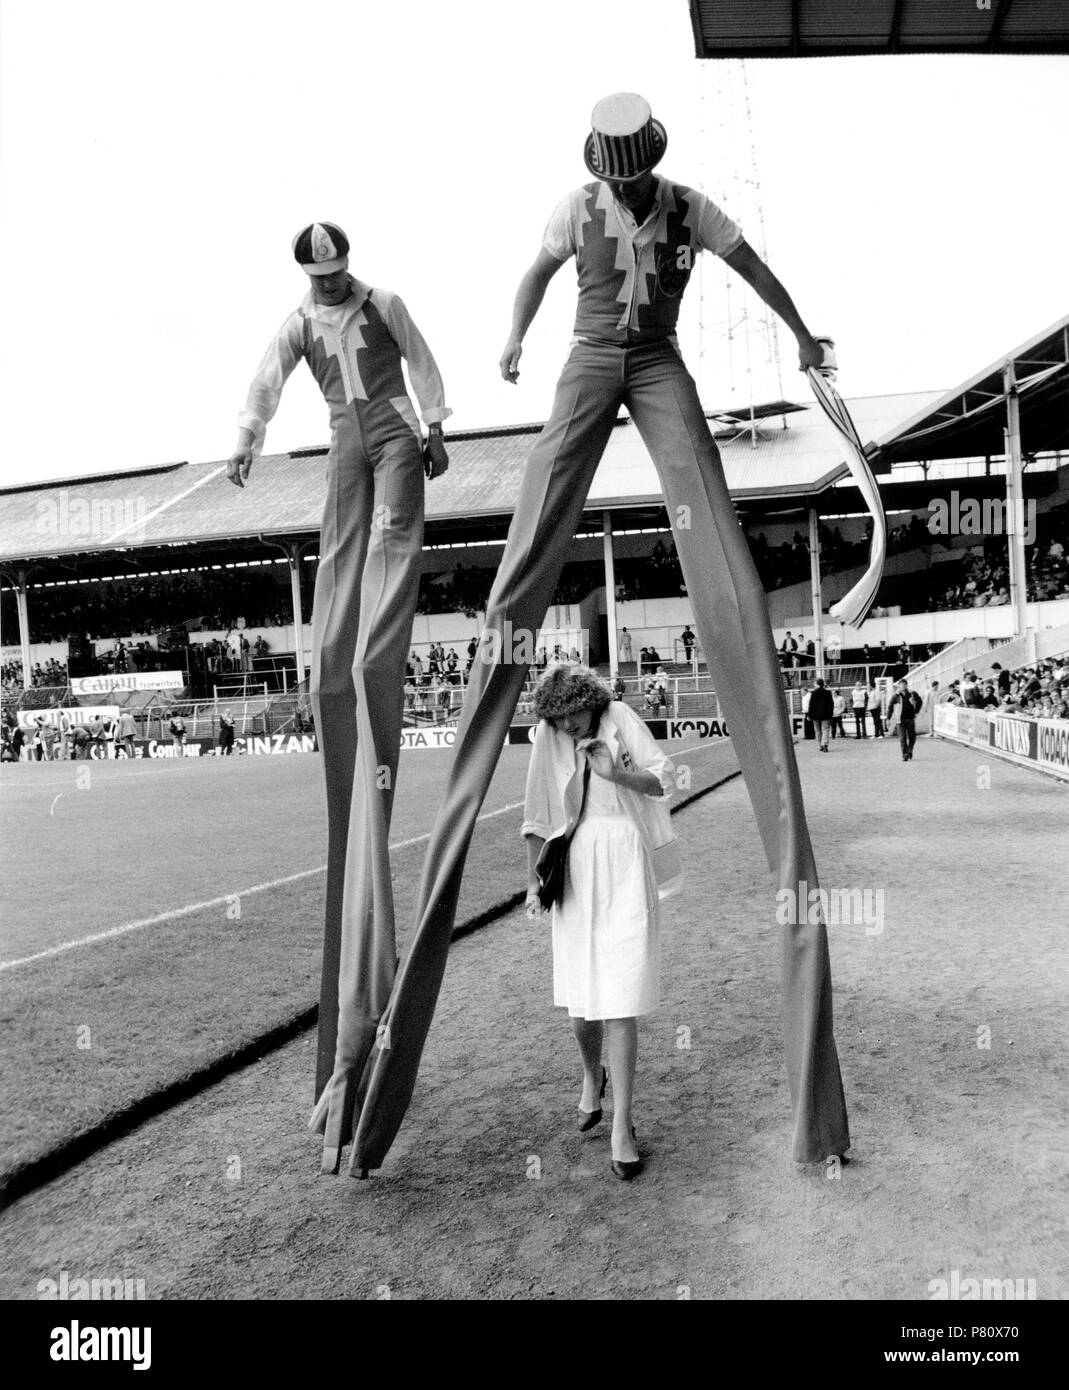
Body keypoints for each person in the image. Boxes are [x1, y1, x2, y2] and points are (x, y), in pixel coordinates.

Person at [343, 94, 848, 1179]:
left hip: (656, 360)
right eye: (612, 178)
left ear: (645, 168)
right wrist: (517, 335)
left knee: (704, 505)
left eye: (629, 178)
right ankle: (506, 618)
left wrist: (803, 335)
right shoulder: (574, 209)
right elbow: (531, 272)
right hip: (587, 356)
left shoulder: (688, 208)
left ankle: (735, 617)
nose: (620, 189)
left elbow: (752, 267)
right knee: (537, 509)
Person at [228, 221, 451, 1153]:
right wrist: (244, 440)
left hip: (395, 426)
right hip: (341, 442)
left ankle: (377, 632)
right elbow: (265, 384)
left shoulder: (383, 305)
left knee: (397, 533)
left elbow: (426, 363)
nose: (331, 285)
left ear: (349, 266)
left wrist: (436, 427)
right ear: (305, 275)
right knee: (342, 531)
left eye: (337, 273)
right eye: (320, 277)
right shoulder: (296, 325)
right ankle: (341, 631)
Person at [522, 665, 682, 1179]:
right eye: (559, 716)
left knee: (622, 995)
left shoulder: (619, 717)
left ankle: (623, 1124)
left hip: (627, 860)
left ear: (592, 700)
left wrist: (616, 774)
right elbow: (538, 814)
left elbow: (664, 779)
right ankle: (593, 1075)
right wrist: (532, 881)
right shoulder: (549, 737)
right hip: (574, 868)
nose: (569, 724)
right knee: (580, 1004)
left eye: (575, 712)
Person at [887, 679, 922, 762]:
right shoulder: (896, 695)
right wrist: (888, 718)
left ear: (906, 685)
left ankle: (910, 750)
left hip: (910, 718)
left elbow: (920, 701)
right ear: (899, 686)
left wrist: (916, 711)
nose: (903, 686)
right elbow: (890, 707)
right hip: (900, 719)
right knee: (902, 738)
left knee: (912, 736)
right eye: (901, 685)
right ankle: (904, 754)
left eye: (904, 685)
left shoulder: (912, 694)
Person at [808, 678, 834, 752]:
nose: (813, 684)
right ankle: (825, 744)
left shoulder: (813, 693)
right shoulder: (828, 692)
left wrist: (810, 715)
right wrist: (830, 714)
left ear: (817, 684)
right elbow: (831, 704)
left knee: (818, 730)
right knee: (825, 729)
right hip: (826, 715)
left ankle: (820, 745)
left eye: (814, 683)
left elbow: (811, 705)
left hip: (815, 715)